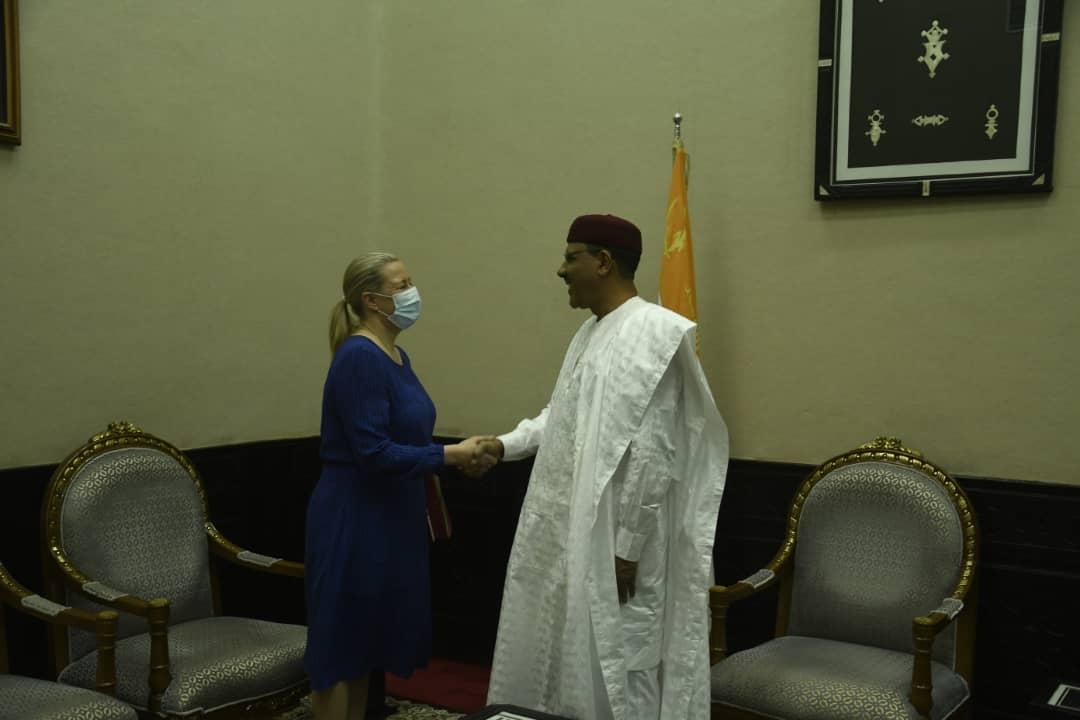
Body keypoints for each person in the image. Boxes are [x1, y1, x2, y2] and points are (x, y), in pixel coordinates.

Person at [481, 214, 729, 720]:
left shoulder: (652, 333)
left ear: (603, 262)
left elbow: (654, 451)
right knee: (579, 662)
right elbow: (563, 417)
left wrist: (629, 547)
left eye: (571, 257)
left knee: (627, 665)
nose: (561, 270)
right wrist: (502, 446)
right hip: (582, 535)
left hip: (623, 546)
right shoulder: (591, 333)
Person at [305, 252, 491, 720]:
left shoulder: (396, 356)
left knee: (368, 646)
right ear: (372, 299)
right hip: (355, 517)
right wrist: (450, 454)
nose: (413, 293)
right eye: (402, 284)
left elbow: (404, 438)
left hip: (392, 516)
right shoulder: (358, 357)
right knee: (341, 651)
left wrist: (450, 458)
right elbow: (373, 454)